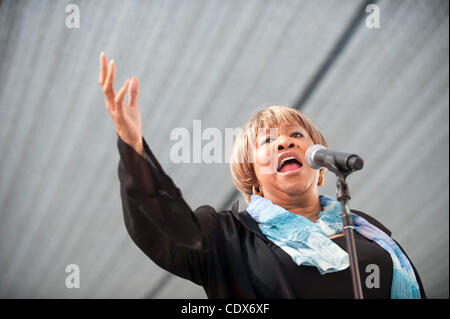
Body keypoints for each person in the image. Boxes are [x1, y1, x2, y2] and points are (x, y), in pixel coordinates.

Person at [98, 52, 426, 299]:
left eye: (296, 136)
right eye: (268, 141)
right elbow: (164, 229)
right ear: (252, 175)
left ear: (320, 164)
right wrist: (133, 144)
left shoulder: (366, 228)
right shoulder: (226, 236)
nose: (285, 141)